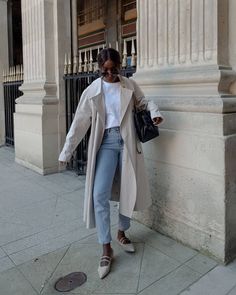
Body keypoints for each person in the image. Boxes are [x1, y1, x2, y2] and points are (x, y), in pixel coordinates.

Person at [59, 48, 163, 279]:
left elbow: (144, 102)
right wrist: (66, 152)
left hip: (128, 143)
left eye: (114, 69)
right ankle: (105, 247)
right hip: (105, 143)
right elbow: (78, 124)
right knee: (99, 194)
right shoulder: (92, 91)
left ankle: (122, 232)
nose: (109, 74)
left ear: (120, 66)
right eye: (104, 70)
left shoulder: (129, 84)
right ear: (99, 68)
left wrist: (155, 112)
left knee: (129, 190)